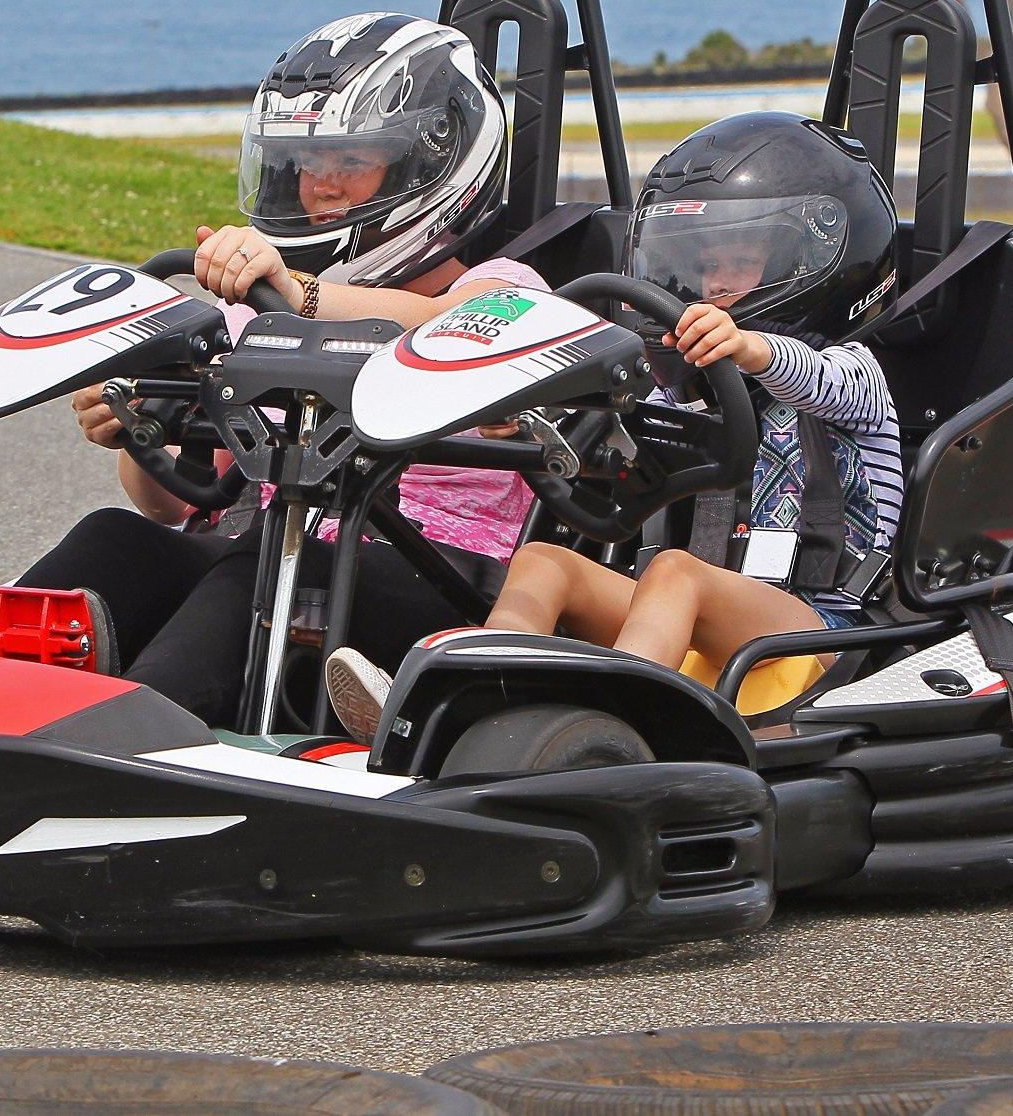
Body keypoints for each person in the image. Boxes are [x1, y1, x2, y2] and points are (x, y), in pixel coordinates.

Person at [5, 11, 546, 728]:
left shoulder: (506, 293)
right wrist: (136, 426)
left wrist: (300, 295)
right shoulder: (255, 313)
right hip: (278, 555)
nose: (321, 186)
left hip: (444, 576)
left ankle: (126, 732)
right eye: (308, 163)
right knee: (120, 539)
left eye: (352, 161)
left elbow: (441, 328)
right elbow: (172, 502)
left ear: (430, 162)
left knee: (262, 570)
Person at [324, 112, 906, 738]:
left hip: (824, 626)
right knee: (548, 561)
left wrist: (748, 348)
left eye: (738, 264)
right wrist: (525, 425)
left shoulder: (854, 375)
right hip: (689, 614)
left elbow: (813, 378)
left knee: (674, 571)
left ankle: (600, 730)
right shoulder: (683, 390)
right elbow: (600, 438)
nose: (713, 286)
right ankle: (457, 703)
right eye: (706, 267)